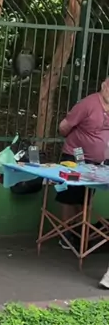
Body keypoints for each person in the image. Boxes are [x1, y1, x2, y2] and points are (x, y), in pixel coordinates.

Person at [57, 79, 109, 255]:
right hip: (74, 156)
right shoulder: (88, 104)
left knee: (85, 197)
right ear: (103, 85)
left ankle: (80, 233)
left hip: (96, 162)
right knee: (69, 195)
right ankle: (65, 233)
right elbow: (64, 126)